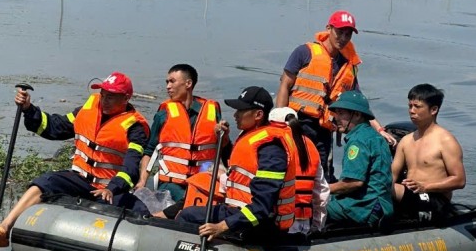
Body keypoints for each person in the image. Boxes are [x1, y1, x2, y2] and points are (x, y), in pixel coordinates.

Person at [0, 72, 149, 248]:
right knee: (45, 181)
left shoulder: (135, 127)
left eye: (111, 97)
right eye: (103, 95)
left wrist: (112, 189)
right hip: (78, 180)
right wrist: (28, 109)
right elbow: (55, 127)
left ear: (125, 98)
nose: (104, 100)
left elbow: (131, 167)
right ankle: (4, 227)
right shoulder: (87, 109)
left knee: (140, 212)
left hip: (109, 189)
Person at [276, 11, 396, 180]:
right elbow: (284, 85)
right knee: (292, 168)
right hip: (297, 122)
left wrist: (380, 130)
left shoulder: (348, 66)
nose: (343, 38)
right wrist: (279, 122)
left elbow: (359, 103)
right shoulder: (304, 52)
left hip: (325, 128)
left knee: (322, 173)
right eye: (339, 32)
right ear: (328, 28)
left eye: (348, 34)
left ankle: (319, 205)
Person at [176, 86, 297, 241]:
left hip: (258, 223)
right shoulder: (252, 136)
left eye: (241, 110)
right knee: (188, 211)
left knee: (188, 216)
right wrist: (225, 143)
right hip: (238, 211)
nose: (235, 114)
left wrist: (222, 226)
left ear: (258, 114)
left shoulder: (271, 150)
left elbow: (263, 207)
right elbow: (238, 170)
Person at [135, 63, 229, 203]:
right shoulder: (164, 113)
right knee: (187, 202)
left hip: (202, 182)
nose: (168, 86)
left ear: (188, 83)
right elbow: (149, 151)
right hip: (171, 184)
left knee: (209, 203)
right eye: (167, 82)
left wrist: (223, 135)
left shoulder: (212, 111)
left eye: (172, 81)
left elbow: (224, 149)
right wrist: (142, 181)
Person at [392, 84, 465, 223]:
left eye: (417, 107)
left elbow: (459, 180)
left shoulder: (446, 141)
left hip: (435, 200)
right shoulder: (406, 141)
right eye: (410, 106)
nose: (411, 111)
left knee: (390, 189)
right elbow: (392, 175)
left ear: (433, 110)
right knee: (379, 184)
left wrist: (425, 186)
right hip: (409, 196)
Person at [326, 91, 394, 228]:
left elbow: (354, 183)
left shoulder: (358, 141)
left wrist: (320, 190)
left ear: (357, 115)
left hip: (364, 207)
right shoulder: (372, 135)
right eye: (336, 113)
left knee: (309, 208)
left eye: (341, 113)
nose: (336, 118)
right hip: (378, 204)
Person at [268, 107, 330, 234]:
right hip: (304, 222)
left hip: (280, 222)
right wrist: (318, 225)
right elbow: (322, 192)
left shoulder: (274, 145)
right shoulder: (310, 146)